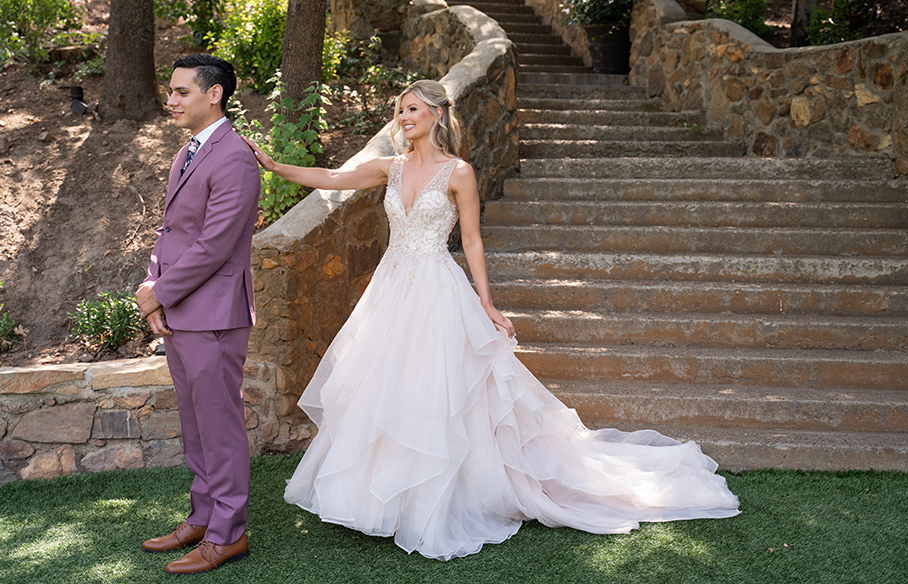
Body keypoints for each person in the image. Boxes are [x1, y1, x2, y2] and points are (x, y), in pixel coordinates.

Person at [248, 79, 740, 561]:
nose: (404, 118)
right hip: (391, 287)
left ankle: (440, 497)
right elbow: (333, 179)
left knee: (440, 389)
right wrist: (275, 166)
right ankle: (385, 500)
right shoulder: (389, 169)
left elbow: (473, 241)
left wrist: (486, 303)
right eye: (400, 110)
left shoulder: (459, 172)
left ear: (437, 115)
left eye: (413, 109)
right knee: (389, 386)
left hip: (436, 287)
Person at [135, 53, 261, 574]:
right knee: (195, 423)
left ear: (215, 94)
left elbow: (214, 245)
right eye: (171, 91)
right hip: (184, 308)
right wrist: (153, 282)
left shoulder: (234, 156)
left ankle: (228, 535)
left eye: (182, 91)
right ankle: (204, 515)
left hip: (214, 313)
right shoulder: (188, 151)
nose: (172, 100)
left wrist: (160, 293)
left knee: (220, 425)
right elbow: (174, 233)